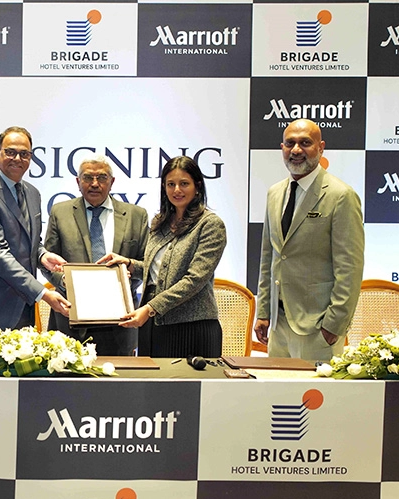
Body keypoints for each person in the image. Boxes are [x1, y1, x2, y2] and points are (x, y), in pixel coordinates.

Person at [253, 118, 364, 361]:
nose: (296, 150)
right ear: (282, 148)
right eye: (289, 143)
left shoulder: (341, 196)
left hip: (317, 328)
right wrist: (263, 312)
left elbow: (350, 268)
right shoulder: (274, 193)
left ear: (321, 148)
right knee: (276, 386)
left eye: (305, 143)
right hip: (278, 325)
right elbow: (269, 257)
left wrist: (334, 324)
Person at [100, 156, 226, 358]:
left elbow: (194, 280)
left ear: (197, 186)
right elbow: (158, 271)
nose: (177, 190)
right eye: (170, 184)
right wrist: (129, 264)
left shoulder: (210, 224)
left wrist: (150, 308)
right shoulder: (160, 222)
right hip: (153, 324)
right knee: (151, 378)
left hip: (191, 327)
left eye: (184, 184)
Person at [0, 126, 70, 341]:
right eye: (10, 152)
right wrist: (42, 293)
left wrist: (42, 255)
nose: (17, 159)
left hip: (23, 309)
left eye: (24, 154)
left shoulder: (33, 193)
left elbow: (30, 241)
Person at [42, 155, 149, 355]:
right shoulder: (60, 212)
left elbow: (148, 267)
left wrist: (129, 270)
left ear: (112, 182)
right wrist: (65, 281)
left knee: (119, 376)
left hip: (120, 323)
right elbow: (47, 262)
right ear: (78, 181)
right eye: (87, 177)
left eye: (101, 177)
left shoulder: (137, 215)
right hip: (70, 321)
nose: (94, 183)